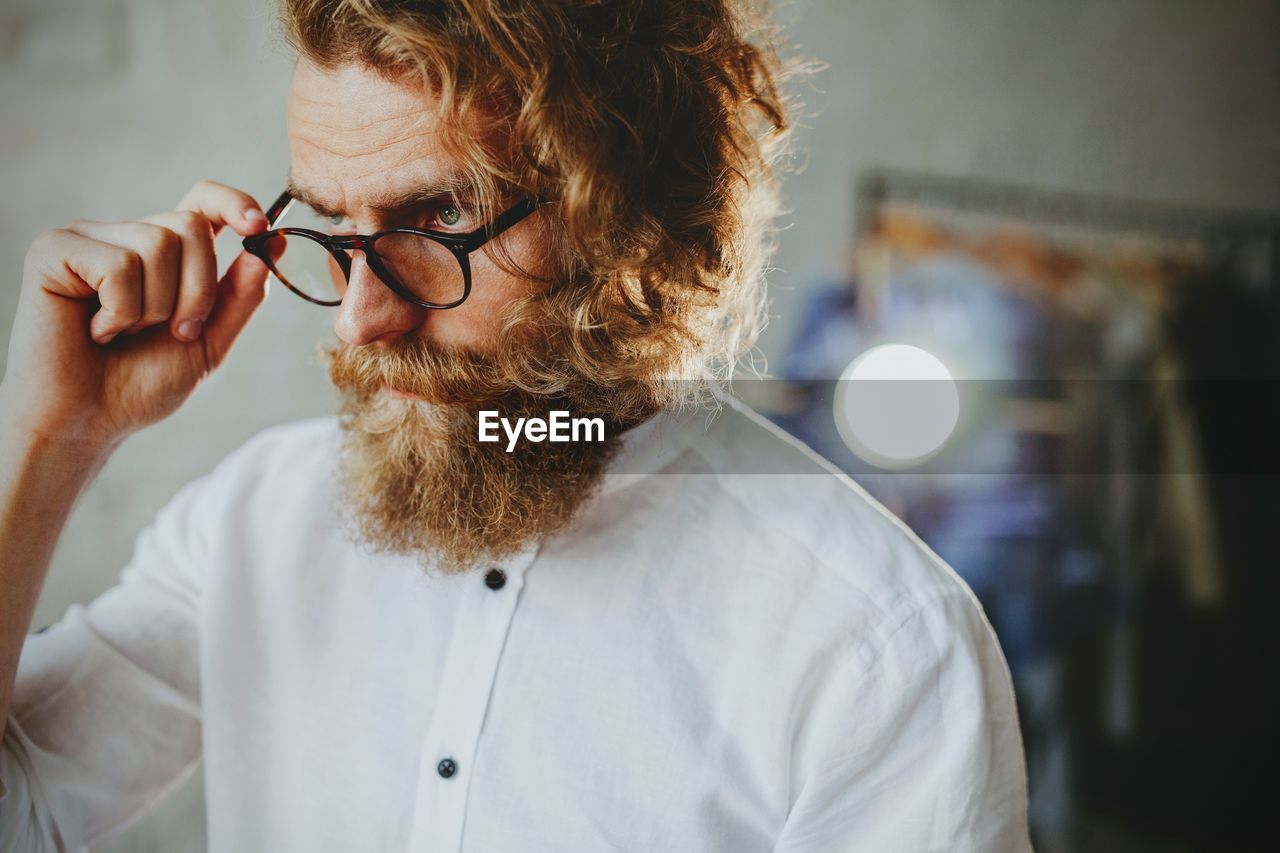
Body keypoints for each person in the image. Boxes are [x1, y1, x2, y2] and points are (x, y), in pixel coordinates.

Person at [0, 1, 1031, 850]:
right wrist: (52, 444)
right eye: (331, 228)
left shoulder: (872, 646)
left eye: (440, 217)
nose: (364, 313)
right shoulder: (251, 522)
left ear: (631, 218)